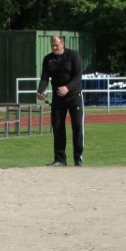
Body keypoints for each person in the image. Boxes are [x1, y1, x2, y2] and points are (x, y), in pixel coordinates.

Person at [36, 35, 85, 166]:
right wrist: (40, 91)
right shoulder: (48, 59)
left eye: (56, 45)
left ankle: (78, 158)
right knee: (57, 127)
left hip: (74, 96)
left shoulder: (73, 56)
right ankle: (60, 159)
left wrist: (67, 88)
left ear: (63, 43)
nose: (54, 47)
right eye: (52, 45)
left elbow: (78, 76)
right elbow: (45, 78)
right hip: (58, 98)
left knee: (77, 127)